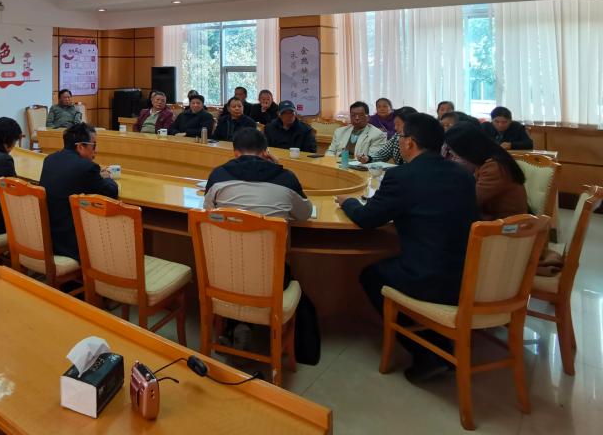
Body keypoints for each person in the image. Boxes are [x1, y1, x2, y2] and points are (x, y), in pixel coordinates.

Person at [335, 113, 479, 383]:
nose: (399, 141)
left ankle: (426, 353)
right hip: (469, 273)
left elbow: (367, 219)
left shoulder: (401, 177)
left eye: (400, 137)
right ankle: (440, 344)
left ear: (410, 142)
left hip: (430, 278)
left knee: (371, 275)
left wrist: (347, 202)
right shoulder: (463, 175)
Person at [40, 123, 118, 261]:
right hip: (72, 244)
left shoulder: (49, 159)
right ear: (81, 146)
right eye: (94, 145)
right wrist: (107, 177)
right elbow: (111, 192)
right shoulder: (87, 167)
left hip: (47, 238)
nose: (96, 150)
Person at [204, 129, 312, 222]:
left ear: (236, 153)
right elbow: (304, 215)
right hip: (270, 240)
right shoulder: (286, 178)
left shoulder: (218, 175)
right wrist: (276, 167)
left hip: (224, 239)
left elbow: (208, 211)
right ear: (265, 152)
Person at [444, 124, 529, 220]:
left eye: (454, 153)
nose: (453, 158)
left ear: (467, 151)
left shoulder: (494, 167)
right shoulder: (484, 161)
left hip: (509, 225)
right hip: (492, 218)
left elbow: (469, 201)